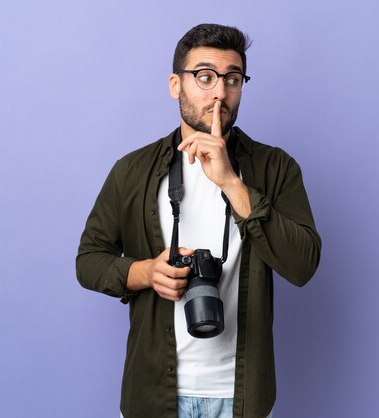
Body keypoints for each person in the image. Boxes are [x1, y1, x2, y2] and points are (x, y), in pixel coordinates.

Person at [76, 23, 321, 418]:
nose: (220, 92)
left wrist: (231, 182)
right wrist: (145, 272)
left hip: (241, 398)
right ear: (176, 85)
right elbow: (88, 260)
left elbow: (303, 264)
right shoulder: (132, 171)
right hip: (153, 394)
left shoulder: (276, 168)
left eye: (233, 79)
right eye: (204, 77)